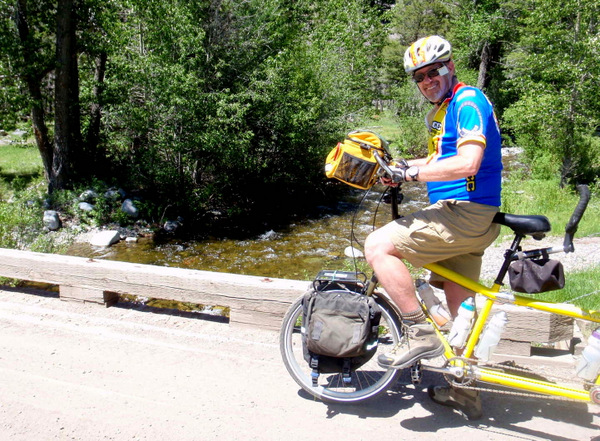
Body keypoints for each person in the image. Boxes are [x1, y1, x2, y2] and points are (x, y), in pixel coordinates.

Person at [363, 35, 503, 420]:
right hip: (467, 215)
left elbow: (469, 162)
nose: (427, 81)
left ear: (450, 67)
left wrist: (411, 174)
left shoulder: (468, 101)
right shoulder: (444, 110)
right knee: (460, 309)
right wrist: (400, 168)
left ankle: (418, 331)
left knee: (377, 246)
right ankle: (465, 391)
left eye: (433, 71)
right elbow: (438, 159)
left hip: (464, 212)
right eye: (419, 77)